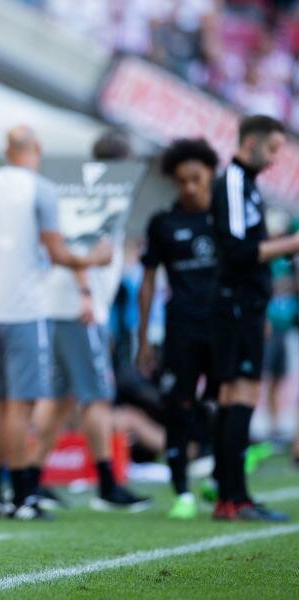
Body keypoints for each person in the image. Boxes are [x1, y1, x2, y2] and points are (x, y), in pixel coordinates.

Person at [0, 125, 111, 520]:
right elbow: (59, 252)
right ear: (37, 149)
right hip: (26, 308)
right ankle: (23, 497)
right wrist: (94, 259)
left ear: (6, 149)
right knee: (21, 404)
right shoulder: (41, 189)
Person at [29, 131, 152, 512]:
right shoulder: (102, 195)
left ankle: (29, 479)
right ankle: (107, 484)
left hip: (63, 305)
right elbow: (80, 247)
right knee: (96, 395)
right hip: (80, 308)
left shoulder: (82, 191)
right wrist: (86, 293)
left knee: (63, 398)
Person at [209, 114, 299, 521]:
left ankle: (232, 496)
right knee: (239, 395)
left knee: (236, 396)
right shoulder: (232, 181)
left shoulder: (246, 185)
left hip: (246, 305)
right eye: (274, 149)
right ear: (251, 143)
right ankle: (234, 498)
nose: (275, 159)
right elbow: (237, 251)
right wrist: (291, 243)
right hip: (235, 304)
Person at [137, 138, 220, 519]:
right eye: (182, 180)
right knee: (179, 406)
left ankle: (222, 476)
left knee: (225, 403)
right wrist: (143, 339)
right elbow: (149, 281)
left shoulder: (225, 219)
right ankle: (182, 491)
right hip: (181, 328)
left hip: (224, 326)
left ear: (210, 176)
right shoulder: (163, 223)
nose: (189, 187)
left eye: (196, 179)